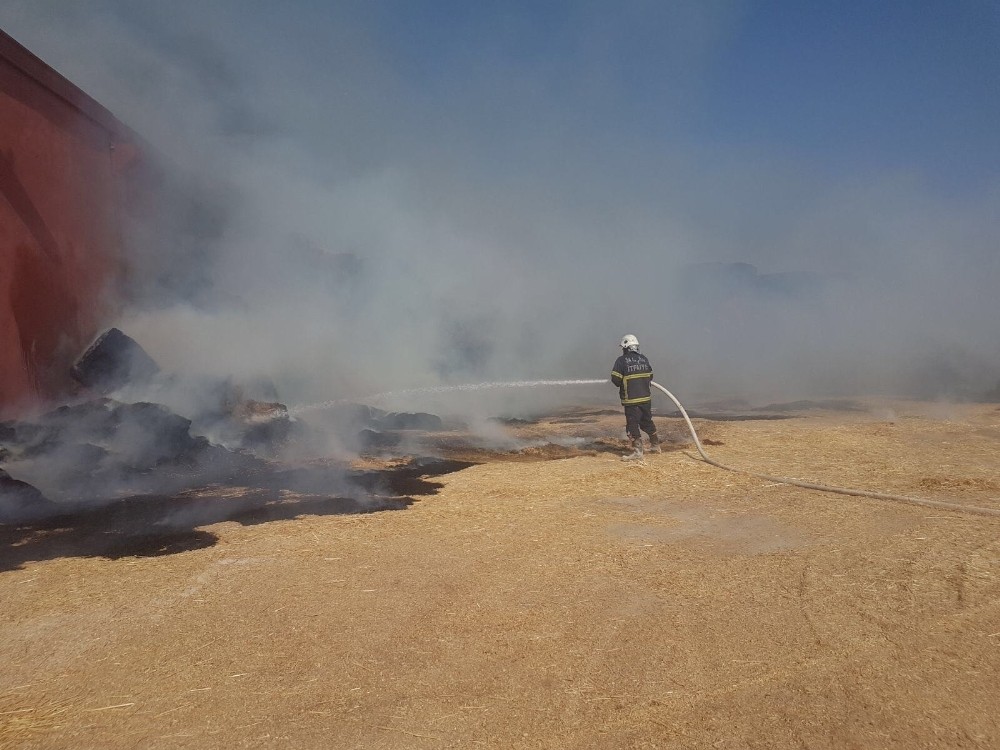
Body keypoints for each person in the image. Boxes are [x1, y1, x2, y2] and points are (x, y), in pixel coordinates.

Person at [610, 334, 661, 461]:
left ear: (626, 347)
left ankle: (638, 453)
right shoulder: (644, 359)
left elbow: (616, 380)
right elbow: (650, 376)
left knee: (632, 426)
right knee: (647, 422)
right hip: (645, 399)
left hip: (631, 400)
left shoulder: (621, 361)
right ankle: (656, 446)